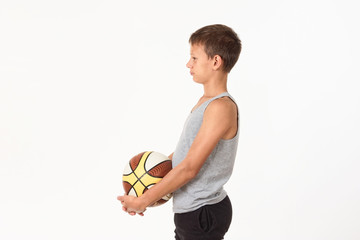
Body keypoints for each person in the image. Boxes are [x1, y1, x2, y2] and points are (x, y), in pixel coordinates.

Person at [118, 24, 242, 240]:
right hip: (193, 211)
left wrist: (143, 201)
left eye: (194, 58)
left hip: (202, 212)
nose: (188, 64)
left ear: (215, 61)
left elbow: (189, 168)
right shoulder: (206, 103)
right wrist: (151, 179)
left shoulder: (221, 107)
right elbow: (185, 155)